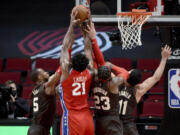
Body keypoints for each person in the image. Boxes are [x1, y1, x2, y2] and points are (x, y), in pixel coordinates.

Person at [108, 45, 172, 135]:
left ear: (127, 75)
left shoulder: (116, 84)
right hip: (128, 127)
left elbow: (106, 70)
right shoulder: (138, 90)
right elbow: (156, 78)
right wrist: (164, 58)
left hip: (114, 125)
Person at [84, 22, 124, 135]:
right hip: (112, 120)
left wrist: (87, 37)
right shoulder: (113, 83)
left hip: (99, 120)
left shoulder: (94, 80)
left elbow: (89, 56)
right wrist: (111, 67)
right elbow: (125, 75)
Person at [59, 10, 95, 135]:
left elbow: (64, 47)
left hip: (72, 118)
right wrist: (86, 26)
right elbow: (88, 49)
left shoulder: (66, 73)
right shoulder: (90, 72)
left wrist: (71, 25)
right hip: (87, 118)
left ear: (71, 64)